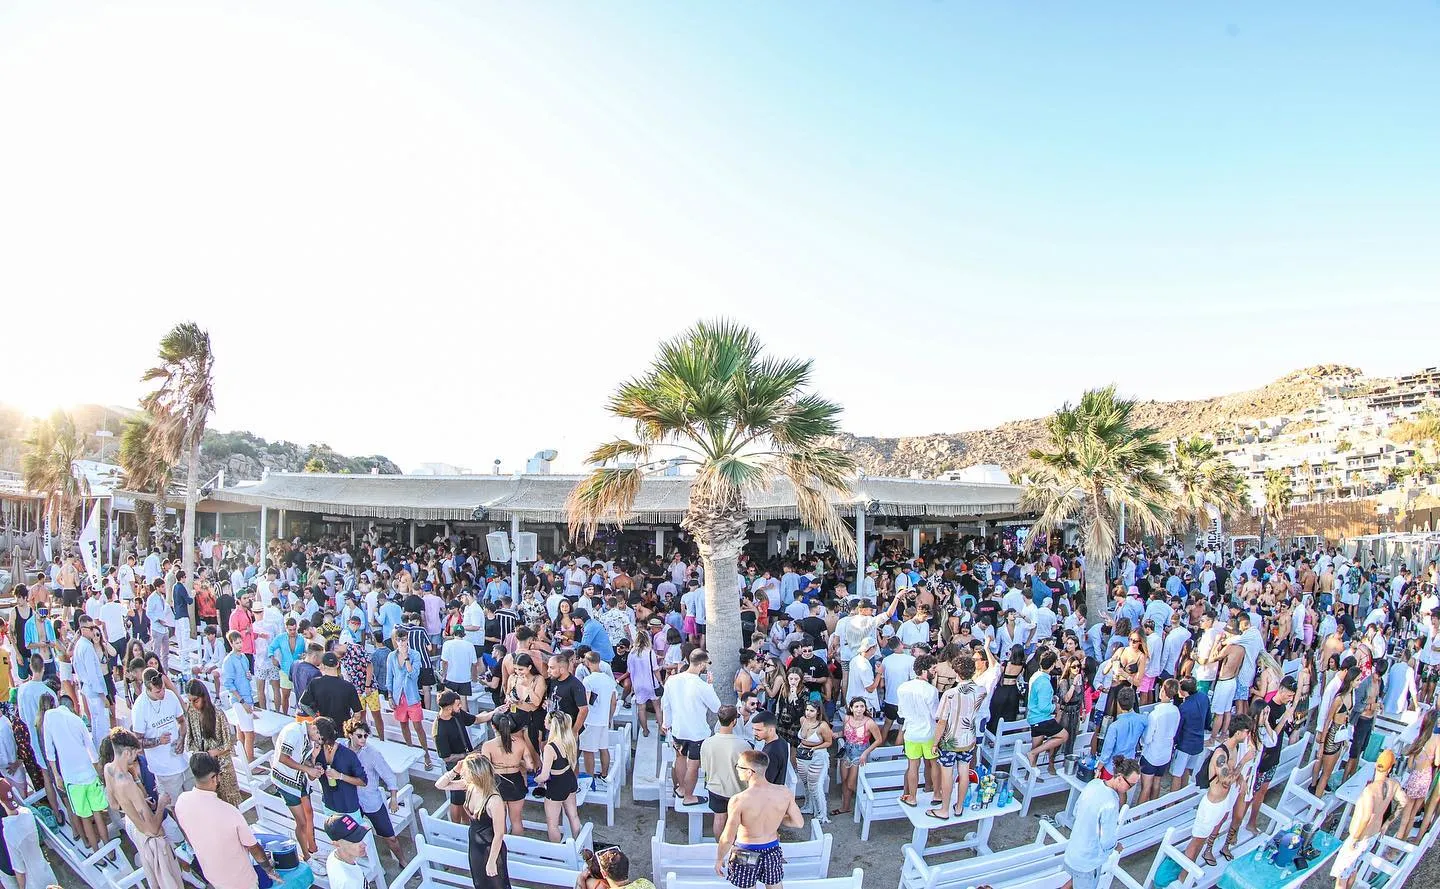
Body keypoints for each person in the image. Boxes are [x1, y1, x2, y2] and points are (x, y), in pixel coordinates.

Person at [176, 752, 281, 889]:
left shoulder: (182, 801)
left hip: (212, 876)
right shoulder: (230, 812)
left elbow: (186, 831)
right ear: (214, 778)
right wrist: (269, 870)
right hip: (242, 881)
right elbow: (254, 849)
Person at [102, 729, 184, 889]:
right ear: (127, 752)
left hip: (132, 826)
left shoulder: (108, 769)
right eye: (135, 752)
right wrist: (161, 804)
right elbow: (152, 829)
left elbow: (114, 805)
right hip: (150, 838)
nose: (137, 756)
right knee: (169, 881)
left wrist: (137, 802)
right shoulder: (127, 783)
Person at [715, 749, 803, 889]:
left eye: (739, 767)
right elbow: (798, 823)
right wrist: (776, 816)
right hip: (771, 848)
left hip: (745, 850)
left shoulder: (738, 800)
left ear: (750, 772)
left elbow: (727, 837)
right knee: (775, 886)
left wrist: (719, 858)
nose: (737, 769)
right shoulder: (784, 793)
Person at [42, 695, 111, 852]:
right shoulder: (77, 720)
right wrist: (98, 772)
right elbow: (92, 751)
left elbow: (49, 751)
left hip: (71, 779)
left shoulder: (49, 717)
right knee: (98, 814)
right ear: (71, 707)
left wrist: (56, 775)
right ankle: (110, 850)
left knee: (85, 817)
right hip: (89, 774)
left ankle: (97, 852)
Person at [1186, 716, 1254, 868]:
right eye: (1246, 732)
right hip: (1211, 805)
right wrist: (1244, 761)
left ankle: (1189, 872)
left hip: (1222, 802)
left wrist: (1241, 778)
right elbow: (1226, 780)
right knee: (1197, 841)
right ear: (1238, 733)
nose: (1248, 735)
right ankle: (1185, 874)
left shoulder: (1235, 748)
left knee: (1202, 841)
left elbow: (1232, 771)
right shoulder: (1221, 754)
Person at [435, 753, 510, 889]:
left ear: (474, 774)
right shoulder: (470, 786)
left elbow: (499, 834)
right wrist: (454, 770)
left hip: (490, 848)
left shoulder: (494, 800)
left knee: (497, 885)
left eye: (465, 771)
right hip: (475, 845)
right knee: (479, 883)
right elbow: (440, 785)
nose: (463, 774)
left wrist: (492, 861)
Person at [1061, 757, 1138, 889]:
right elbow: (1106, 841)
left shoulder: (1094, 783)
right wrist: (1115, 846)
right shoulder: (1111, 803)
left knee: (1075, 879)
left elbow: (1076, 811)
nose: (1130, 788)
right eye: (1130, 785)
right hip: (1088, 861)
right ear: (1120, 778)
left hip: (1074, 850)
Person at [660, 650, 722, 806]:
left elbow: (666, 704)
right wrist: (710, 686)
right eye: (706, 664)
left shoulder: (672, 680)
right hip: (697, 731)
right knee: (693, 766)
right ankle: (689, 797)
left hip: (678, 728)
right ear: (701, 664)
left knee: (679, 758)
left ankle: (681, 788)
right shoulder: (702, 686)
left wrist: (666, 723)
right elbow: (716, 707)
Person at [1333, 750, 1401, 889]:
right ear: (1389, 769)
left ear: (1376, 765)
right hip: (1372, 835)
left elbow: (1365, 818)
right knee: (1353, 869)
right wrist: (1387, 822)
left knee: (1341, 876)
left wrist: (1355, 839)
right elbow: (1403, 802)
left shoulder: (1370, 790)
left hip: (1360, 837)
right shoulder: (1393, 784)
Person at [932, 654, 987, 819]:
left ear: (957, 673)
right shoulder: (981, 690)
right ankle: (959, 806)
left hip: (950, 739)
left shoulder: (950, 694)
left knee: (947, 774)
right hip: (968, 737)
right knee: (964, 773)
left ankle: (944, 810)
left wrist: (934, 743)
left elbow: (942, 722)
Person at [342, 718, 404, 861]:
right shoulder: (341, 748)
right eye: (359, 736)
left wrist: (394, 798)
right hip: (350, 801)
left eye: (366, 736)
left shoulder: (372, 753)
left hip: (370, 800)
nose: (363, 739)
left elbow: (388, 776)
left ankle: (402, 860)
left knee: (390, 837)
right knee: (352, 836)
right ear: (350, 735)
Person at [132, 667, 192, 803]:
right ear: (147, 689)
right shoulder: (140, 707)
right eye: (158, 691)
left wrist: (181, 739)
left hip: (183, 760)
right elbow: (137, 742)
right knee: (176, 805)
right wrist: (158, 741)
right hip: (163, 768)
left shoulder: (170, 696)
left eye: (164, 688)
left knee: (193, 799)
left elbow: (182, 721)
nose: (162, 693)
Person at [183, 680, 242, 806]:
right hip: (204, 770)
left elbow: (228, 743)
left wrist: (213, 752)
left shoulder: (218, 714)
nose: (192, 704)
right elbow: (190, 740)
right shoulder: (190, 713)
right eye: (190, 701)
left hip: (222, 768)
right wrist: (200, 754)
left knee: (229, 804)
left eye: (195, 700)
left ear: (203, 697)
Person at [270, 718, 322, 861]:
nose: (319, 741)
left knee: (309, 812)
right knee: (302, 822)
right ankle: (306, 856)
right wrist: (308, 769)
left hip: (299, 778)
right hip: (285, 780)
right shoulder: (293, 732)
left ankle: (313, 848)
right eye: (319, 737)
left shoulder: (310, 738)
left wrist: (314, 761)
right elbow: (283, 758)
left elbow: (308, 771)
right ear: (314, 728)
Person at [700, 705, 753, 838]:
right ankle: (736, 847)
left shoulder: (707, 742)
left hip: (715, 787)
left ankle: (720, 846)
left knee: (719, 818)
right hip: (737, 789)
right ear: (734, 721)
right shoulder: (743, 745)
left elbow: (704, 768)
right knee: (737, 821)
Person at [385, 629, 433, 769]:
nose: (401, 642)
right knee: (403, 725)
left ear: (407, 639)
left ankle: (426, 755)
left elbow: (414, 675)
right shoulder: (391, 656)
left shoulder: (415, 655)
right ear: (396, 640)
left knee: (418, 726)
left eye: (404, 639)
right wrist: (390, 696)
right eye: (399, 640)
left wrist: (406, 658)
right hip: (398, 696)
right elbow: (389, 677)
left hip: (412, 696)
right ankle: (410, 750)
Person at [479, 712, 533, 837]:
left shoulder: (488, 745)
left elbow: (485, 769)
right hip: (516, 781)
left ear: (493, 726)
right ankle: (517, 846)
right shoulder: (520, 742)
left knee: (499, 821)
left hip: (497, 783)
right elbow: (530, 766)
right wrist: (517, 763)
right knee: (516, 819)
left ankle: (502, 845)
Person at [896, 654, 939, 808]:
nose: (935, 672)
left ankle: (912, 797)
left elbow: (901, 713)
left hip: (911, 732)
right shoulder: (931, 690)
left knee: (913, 766)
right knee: (933, 764)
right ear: (924, 670)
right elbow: (935, 715)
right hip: (929, 732)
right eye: (933, 669)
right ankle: (937, 794)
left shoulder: (902, 687)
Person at [536, 711, 582, 844]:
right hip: (569, 778)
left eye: (546, 720)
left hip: (556, 784)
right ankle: (580, 845)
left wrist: (536, 779)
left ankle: (557, 851)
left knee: (552, 824)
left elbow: (544, 775)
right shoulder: (570, 738)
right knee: (573, 815)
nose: (544, 721)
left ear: (552, 725)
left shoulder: (550, 747)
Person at [834, 696, 884, 817]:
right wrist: (837, 734)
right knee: (844, 780)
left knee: (851, 784)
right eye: (856, 706)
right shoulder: (847, 718)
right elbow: (845, 733)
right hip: (847, 751)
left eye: (862, 706)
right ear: (851, 708)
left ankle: (868, 801)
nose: (859, 709)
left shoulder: (869, 723)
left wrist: (866, 753)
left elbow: (879, 740)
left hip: (860, 753)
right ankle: (845, 807)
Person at [434, 690, 478, 823]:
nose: (461, 707)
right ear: (448, 708)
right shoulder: (439, 731)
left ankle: (466, 821)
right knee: (457, 797)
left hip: (466, 761)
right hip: (455, 766)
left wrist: (494, 712)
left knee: (465, 795)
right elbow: (446, 757)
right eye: (458, 705)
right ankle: (456, 825)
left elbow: (475, 719)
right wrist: (466, 755)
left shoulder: (456, 714)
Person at [578, 650, 617, 788]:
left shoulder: (587, 680)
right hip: (604, 719)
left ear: (588, 663)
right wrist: (609, 717)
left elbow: (586, 702)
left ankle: (590, 778)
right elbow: (613, 702)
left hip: (590, 720)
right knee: (603, 748)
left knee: (588, 751)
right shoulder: (609, 680)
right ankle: (604, 775)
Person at [794, 699, 835, 824]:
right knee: (806, 783)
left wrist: (815, 748)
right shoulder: (803, 720)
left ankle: (821, 814)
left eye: (811, 710)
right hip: (802, 755)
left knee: (816, 786)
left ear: (818, 712)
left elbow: (829, 742)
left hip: (817, 756)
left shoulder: (823, 725)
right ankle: (809, 806)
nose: (808, 713)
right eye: (807, 710)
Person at [300, 652, 364, 728]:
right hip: (343, 730)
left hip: (324, 729)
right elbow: (357, 714)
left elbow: (303, 703)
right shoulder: (349, 686)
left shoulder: (315, 683)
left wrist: (317, 718)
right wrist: (349, 727)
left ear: (322, 665)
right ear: (338, 664)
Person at [221, 631, 257, 763]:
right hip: (240, 700)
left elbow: (246, 676)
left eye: (241, 642)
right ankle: (250, 761)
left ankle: (243, 757)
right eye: (237, 643)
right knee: (249, 733)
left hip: (247, 696)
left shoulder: (243, 657)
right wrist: (242, 701)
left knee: (241, 729)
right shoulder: (229, 661)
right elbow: (228, 684)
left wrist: (248, 676)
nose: (240, 645)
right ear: (231, 644)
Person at [322, 814, 371, 889]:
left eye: (360, 837)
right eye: (354, 841)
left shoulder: (333, 856)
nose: (364, 845)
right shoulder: (348, 883)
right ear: (337, 844)